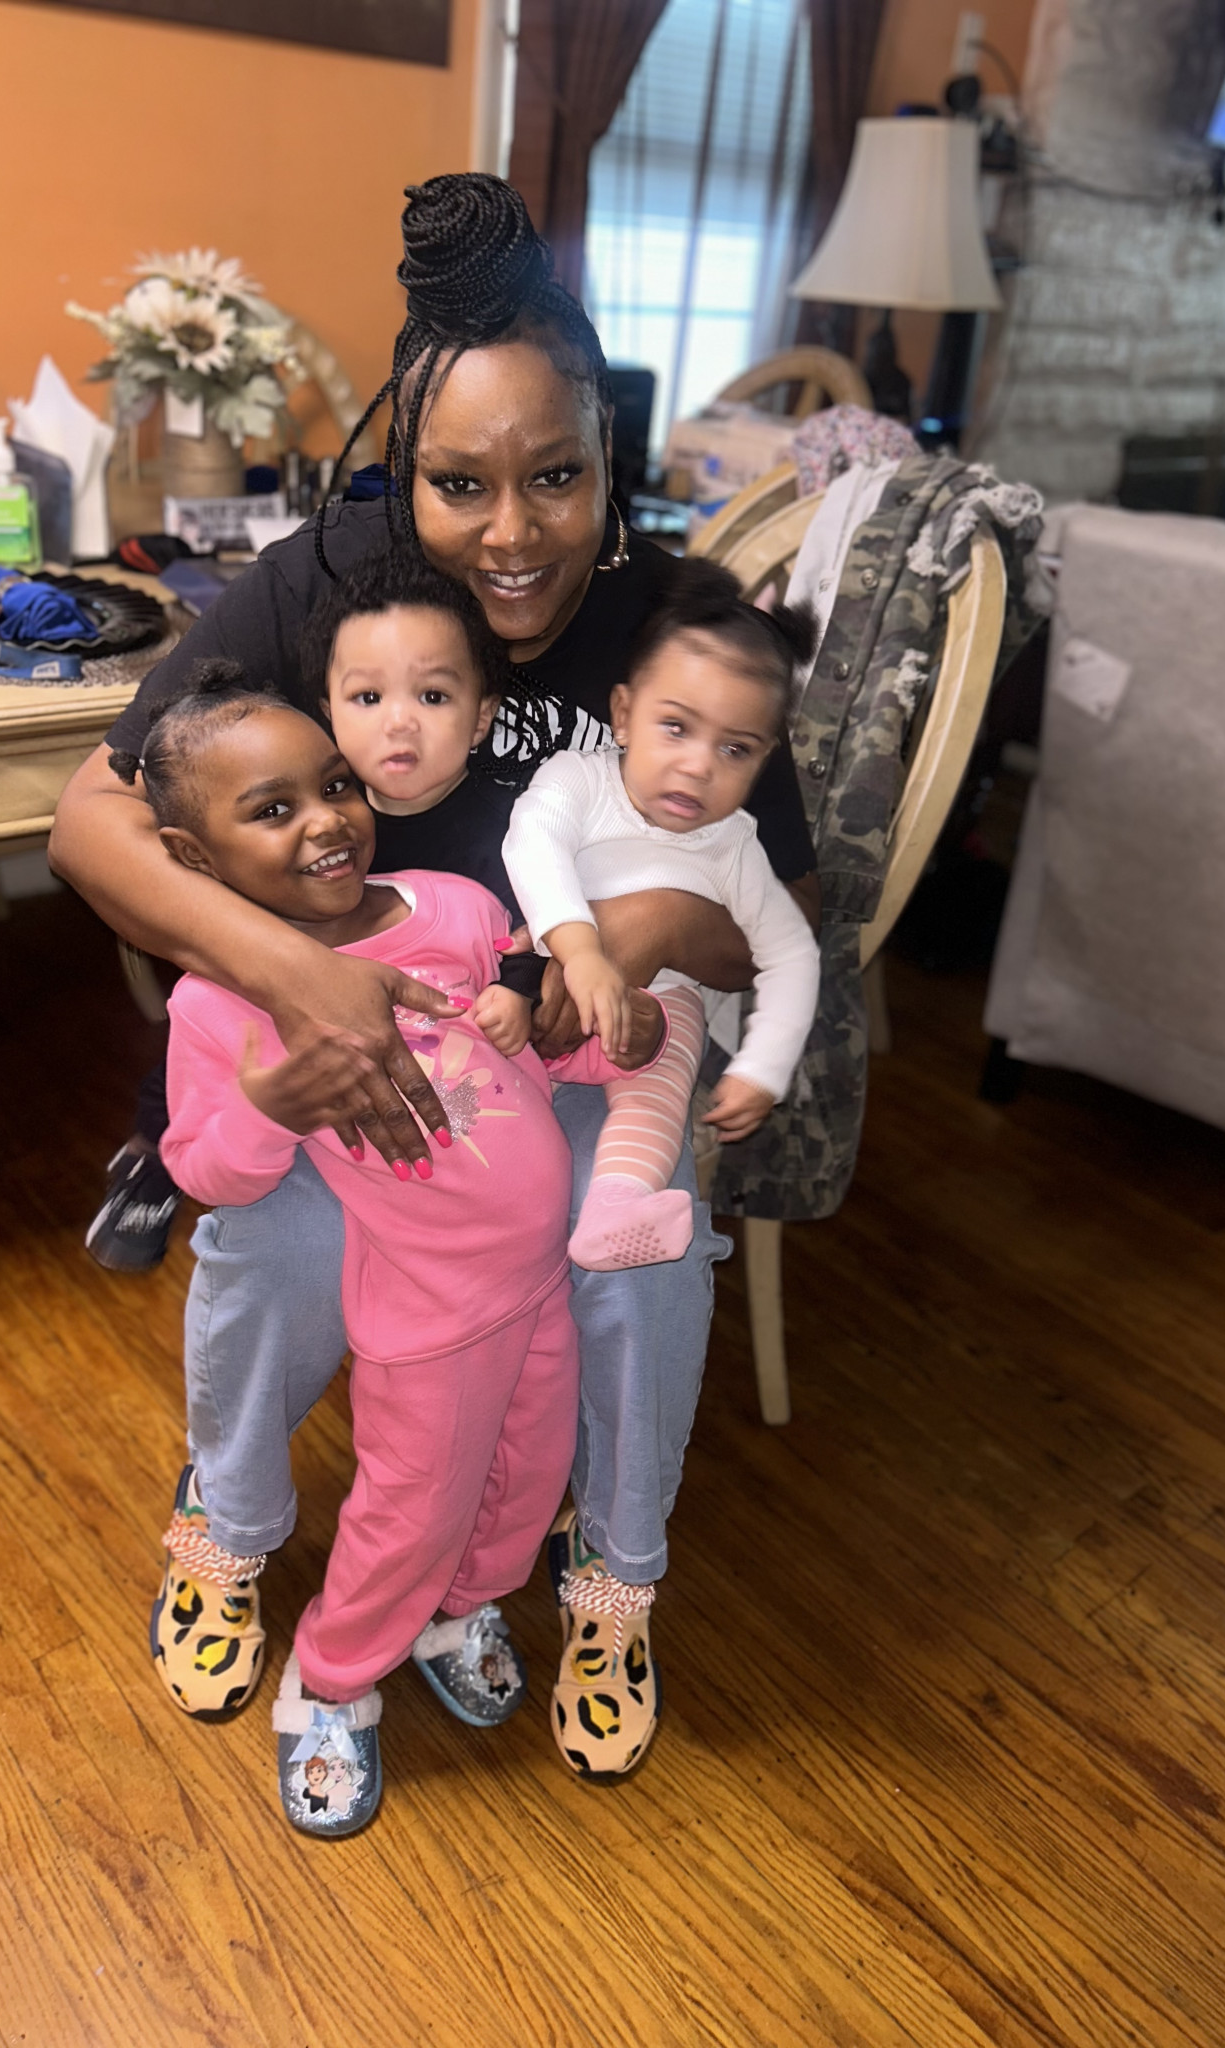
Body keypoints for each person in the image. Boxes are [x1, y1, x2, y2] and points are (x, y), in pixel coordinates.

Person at [49, 171, 820, 1782]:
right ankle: (230, 1518)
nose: (513, 535)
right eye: (460, 485)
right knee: (276, 1230)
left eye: (559, 478)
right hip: (355, 1041)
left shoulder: (671, 624)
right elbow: (90, 822)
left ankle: (613, 1572)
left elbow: (780, 909)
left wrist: (614, 945)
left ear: (613, 457)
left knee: (632, 1245)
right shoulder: (326, 580)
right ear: (405, 474)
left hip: (569, 1051)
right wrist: (295, 978)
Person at [125, 663, 669, 1833]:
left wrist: (606, 1032)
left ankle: (458, 1610)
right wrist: (271, 1106)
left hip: (538, 1281)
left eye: (334, 784)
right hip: (431, 1316)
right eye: (272, 809)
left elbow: (528, 1043)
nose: (326, 818)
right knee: (411, 1511)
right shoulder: (220, 1005)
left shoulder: (455, 907)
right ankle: (331, 1679)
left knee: (522, 1488)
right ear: (192, 856)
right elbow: (205, 1170)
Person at [502, 559, 821, 1272]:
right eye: (675, 727)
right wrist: (581, 951)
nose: (698, 766)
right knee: (490, 1047)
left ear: (764, 760)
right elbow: (533, 842)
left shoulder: (734, 846)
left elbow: (793, 954)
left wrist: (762, 1068)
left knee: (662, 1077)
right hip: (542, 983)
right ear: (623, 715)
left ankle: (619, 1207)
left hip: (649, 1022)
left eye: (734, 748)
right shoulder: (578, 780)